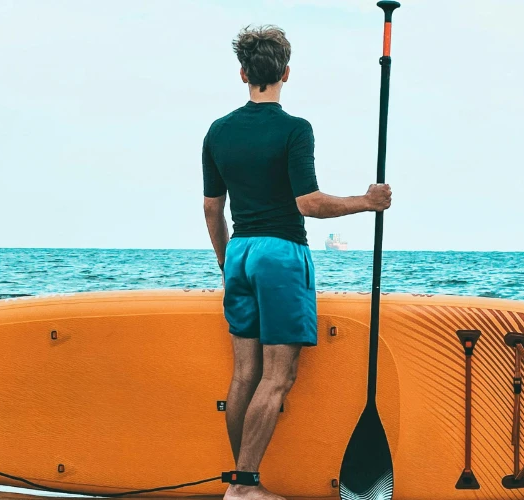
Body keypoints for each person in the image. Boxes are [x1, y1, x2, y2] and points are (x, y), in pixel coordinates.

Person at [202, 25, 392, 500]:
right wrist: (367, 202)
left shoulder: (218, 131)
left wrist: (227, 264)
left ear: (243, 73)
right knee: (278, 376)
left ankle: (239, 482)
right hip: (281, 255)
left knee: (244, 374)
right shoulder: (294, 129)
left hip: (240, 252)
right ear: (286, 73)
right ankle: (244, 488)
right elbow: (308, 203)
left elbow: (211, 208)